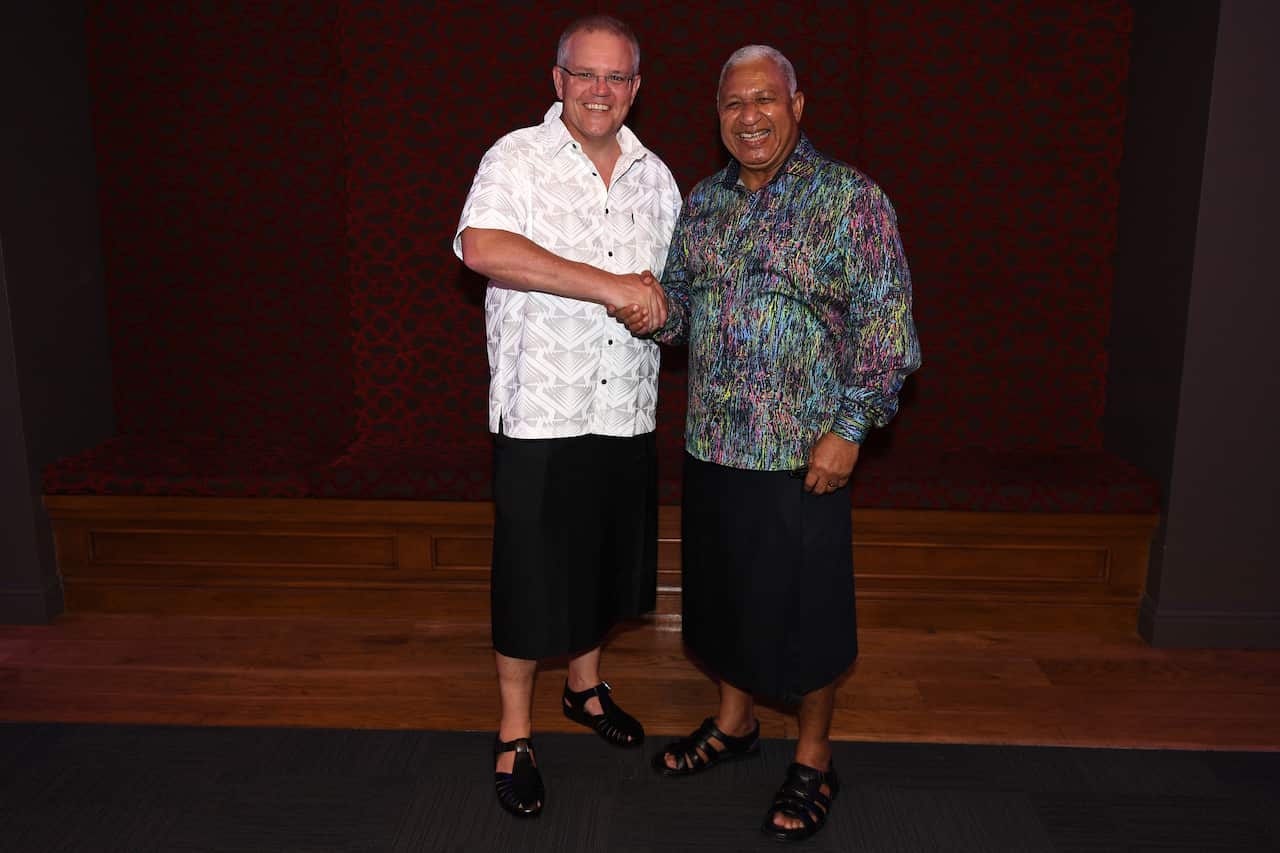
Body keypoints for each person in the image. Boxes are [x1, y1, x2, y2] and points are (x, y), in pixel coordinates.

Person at [617, 45, 920, 842]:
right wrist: (641, 302)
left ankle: (814, 756)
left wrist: (848, 430)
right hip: (713, 445)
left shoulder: (850, 198)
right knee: (719, 602)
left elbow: (888, 332)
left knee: (807, 618)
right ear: (716, 116)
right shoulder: (704, 202)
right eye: (731, 104)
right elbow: (681, 309)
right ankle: (735, 722)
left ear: (797, 105)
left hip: (802, 457)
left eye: (765, 100)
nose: (748, 117)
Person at [453, 15, 681, 819]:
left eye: (616, 78)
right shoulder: (516, 157)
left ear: (635, 89)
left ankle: (584, 689)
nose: (599, 91)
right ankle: (514, 733)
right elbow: (479, 246)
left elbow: (670, 293)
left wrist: (662, 309)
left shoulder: (658, 178)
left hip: (624, 408)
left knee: (599, 566)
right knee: (526, 580)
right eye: (584, 74)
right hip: (542, 412)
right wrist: (610, 286)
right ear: (556, 80)